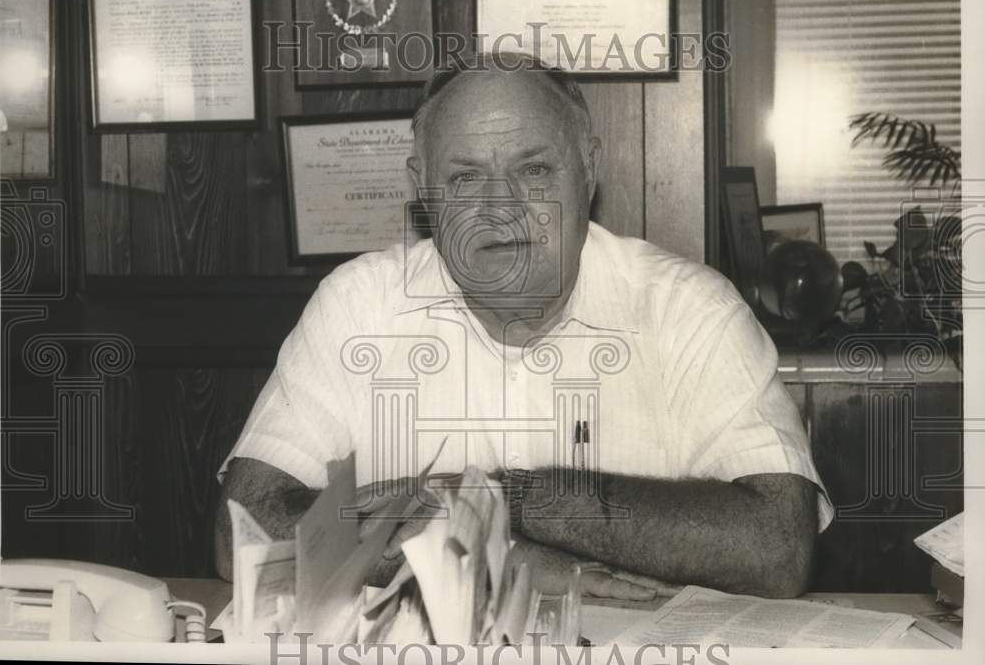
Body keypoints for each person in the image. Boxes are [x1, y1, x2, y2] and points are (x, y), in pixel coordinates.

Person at [215, 53, 832, 599]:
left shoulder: (689, 311)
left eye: (534, 170)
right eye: (464, 178)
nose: (499, 208)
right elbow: (244, 529)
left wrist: (513, 499)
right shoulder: (358, 305)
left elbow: (778, 548)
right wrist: (501, 561)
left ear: (588, 168)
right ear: (422, 190)